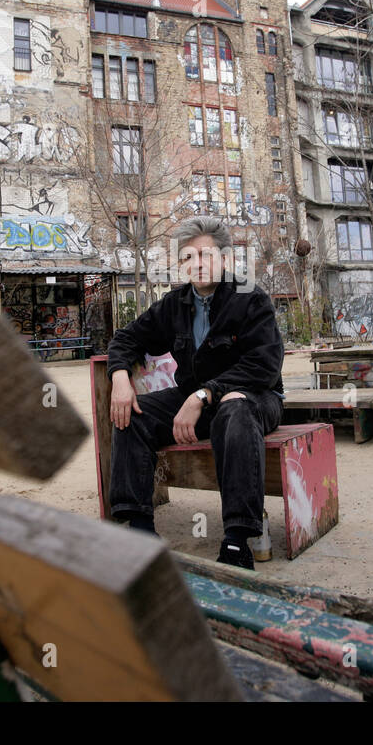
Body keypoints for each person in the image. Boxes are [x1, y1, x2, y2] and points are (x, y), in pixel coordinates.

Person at [106, 217, 284, 569]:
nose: (196, 264)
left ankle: (237, 540)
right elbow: (126, 339)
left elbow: (265, 365)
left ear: (225, 258)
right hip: (195, 402)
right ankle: (139, 529)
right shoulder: (175, 304)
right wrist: (120, 379)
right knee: (133, 414)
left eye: (204, 254)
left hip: (256, 399)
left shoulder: (250, 298)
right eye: (187, 257)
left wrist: (205, 394)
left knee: (235, 409)